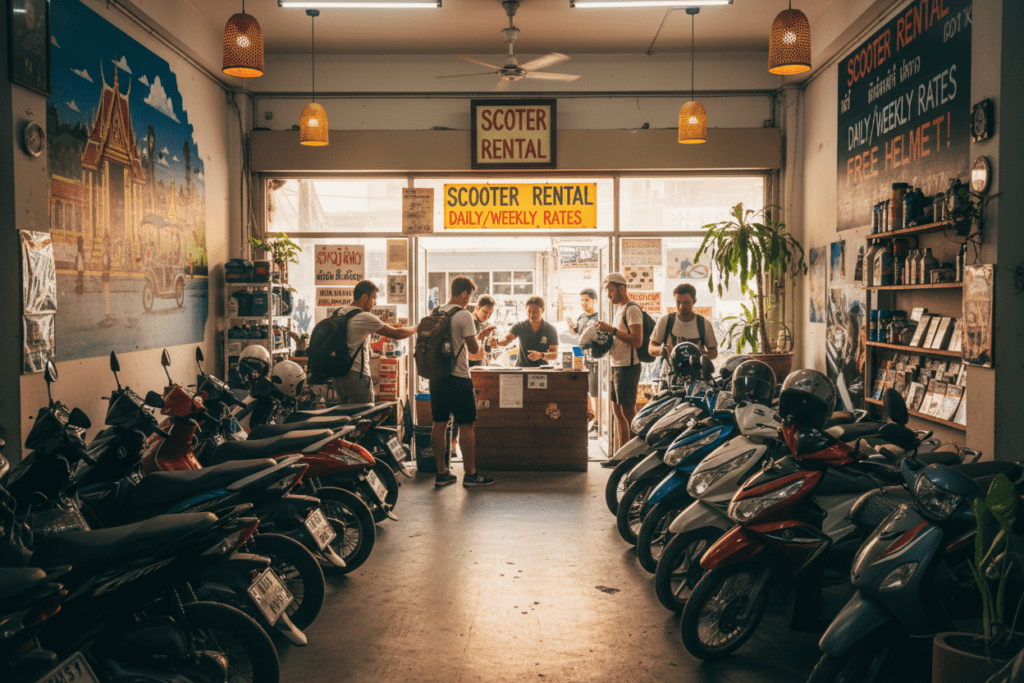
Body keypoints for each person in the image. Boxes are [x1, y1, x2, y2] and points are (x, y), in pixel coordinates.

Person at [431, 276, 495, 488]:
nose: (470, 300)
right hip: (458, 378)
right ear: (465, 294)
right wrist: (482, 335)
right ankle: (471, 474)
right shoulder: (464, 314)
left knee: (439, 424)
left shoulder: (436, 311)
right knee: (467, 425)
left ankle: (442, 474)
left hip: (437, 377)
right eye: (470, 296)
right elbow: (474, 349)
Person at [331, 280, 417, 404]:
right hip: (356, 376)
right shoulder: (363, 317)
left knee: (346, 418)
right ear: (365, 297)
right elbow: (398, 333)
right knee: (363, 417)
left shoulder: (339, 313)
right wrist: (418, 327)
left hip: (338, 377)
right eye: (374, 299)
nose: (375, 303)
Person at [596, 273, 644, 453]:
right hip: (616, 366)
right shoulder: (620, 309)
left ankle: (635, 455)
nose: (609, 295)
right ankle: (620, 455)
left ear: (622, 288)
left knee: (629, 413)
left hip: (628, 367)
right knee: (618, 413)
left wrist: (611, 329)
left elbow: (637, 340)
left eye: (611, 291)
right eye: (607, 291)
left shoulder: (632, 309)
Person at [648, 283, 719, 370]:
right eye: (678, 302)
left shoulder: (704, 324)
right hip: (670, 374)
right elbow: (651, 348)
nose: (681, 307)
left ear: (694, 301)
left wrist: (700, 356)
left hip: (696, 374)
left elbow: (714, 352)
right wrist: (662, 350)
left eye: (686, 303)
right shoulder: (666, 321)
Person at [492, 296, 559, 368]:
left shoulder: (550, 329)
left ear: (542, 311)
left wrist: (541, 355)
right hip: (522, 369)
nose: (531, 315)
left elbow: (554, 354)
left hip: (542, 370)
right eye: (529, 311)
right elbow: (507, 339)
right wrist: (497, 342)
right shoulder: (520, 326)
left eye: (535, 312)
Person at [565, 287, 601, 413]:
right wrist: (577, 358)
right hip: (581, 358)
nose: (583, 303)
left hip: (594, 359)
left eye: (586, 300)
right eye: (581, 300)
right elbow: (578, 340)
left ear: (594, 300)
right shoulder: (581, 317)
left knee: (594, 390)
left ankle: (597, 420)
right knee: (582, 389)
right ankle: (589, 416)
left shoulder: (598, 318)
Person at [467, 295, 497, 368]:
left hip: (480, 367)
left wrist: (490, 342)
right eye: (485, 312)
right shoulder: (468, 322)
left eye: (490, 313)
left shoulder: (486, 324)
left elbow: (487, 352)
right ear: (477, 308)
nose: (487, 316)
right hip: (468, 368)